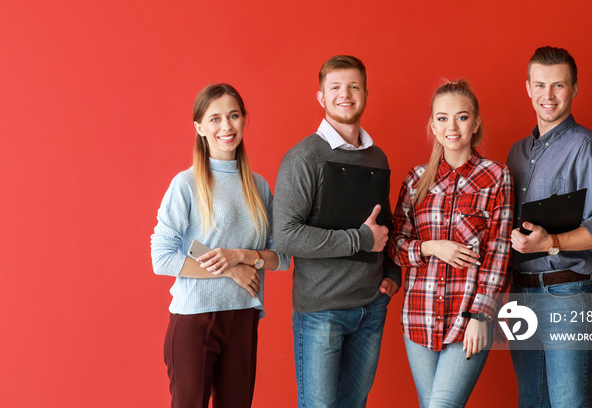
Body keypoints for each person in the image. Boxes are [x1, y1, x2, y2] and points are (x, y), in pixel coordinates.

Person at [150, 83, 290, 408]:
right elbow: (163, 257)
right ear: (199, 127)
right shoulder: (186, 184)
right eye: (214, 119)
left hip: (243, 316)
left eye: (233, 116)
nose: (226, 126)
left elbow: (281, 257)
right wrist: (230, 272)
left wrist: (242, 258)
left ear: (244, 120)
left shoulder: (259, 186)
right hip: (195, 318)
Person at [273, 55, 401, 407]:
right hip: (321, 312)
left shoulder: (378, 158)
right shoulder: (303, 158)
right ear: (321, 97)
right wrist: (359, 239)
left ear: (365, 94)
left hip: (371, 308)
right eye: (336, 88)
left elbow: (385, 223)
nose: (345, 94)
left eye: (353, 87)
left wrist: (392, 272)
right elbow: (284, 235)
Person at [508, 46, 592, 407]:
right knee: (532, 400)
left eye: (558, 86)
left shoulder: (587, 147)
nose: (548, 96)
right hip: (521, 294)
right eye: (540, 85)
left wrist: (552, 242)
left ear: (575, 88)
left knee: (568, 402)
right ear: (527, 88)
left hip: (568, 291)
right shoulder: (516, 152)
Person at [388, 80, 513, 408]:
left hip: (467, 318)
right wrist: (430, 247)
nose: (451, 126)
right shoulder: (415, 180)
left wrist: (481, 316)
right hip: (419, 318)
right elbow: (396, 245)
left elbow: (499, 251)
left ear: (475, 123)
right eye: (442, 118)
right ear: (433, 125)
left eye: (461, 117)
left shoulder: (498, 177)